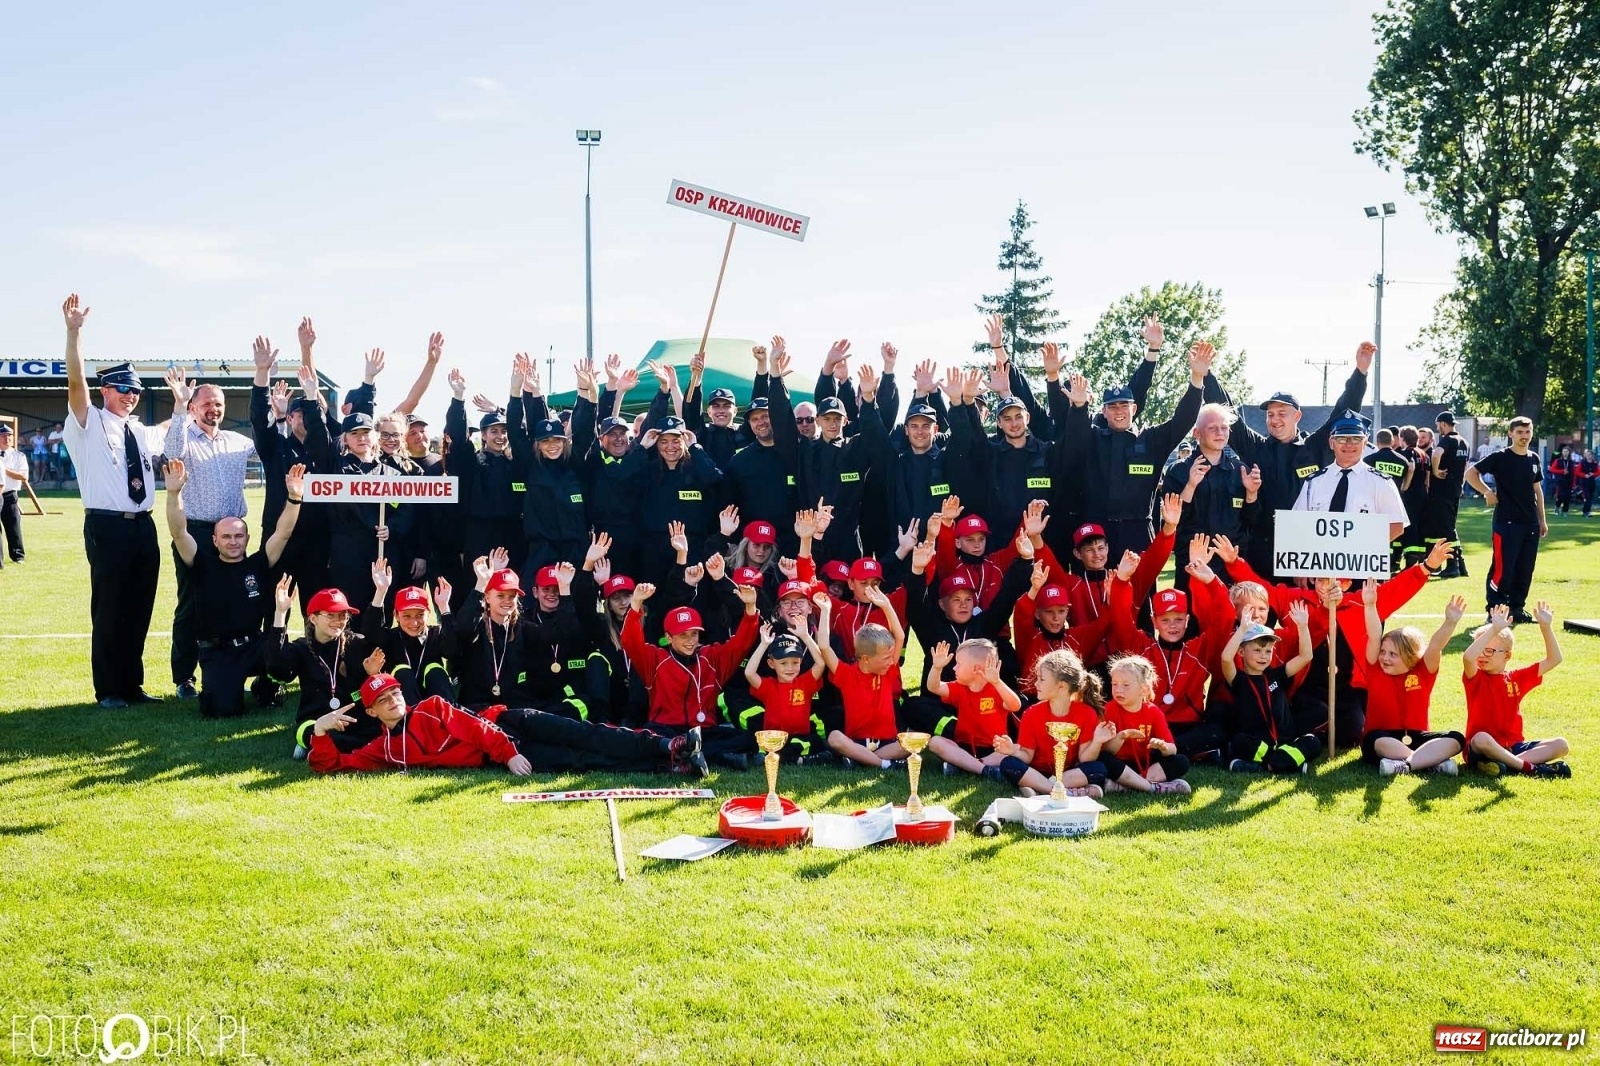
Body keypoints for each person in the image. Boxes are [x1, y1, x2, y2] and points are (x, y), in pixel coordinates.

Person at [59, 295, 166, 708]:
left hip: (143, 523)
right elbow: (74, 383)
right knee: (109, 609)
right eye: (123, 388)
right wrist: (74, 333)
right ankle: (107, 689)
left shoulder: (138, 430)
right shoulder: (87, 422)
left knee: (139, 607)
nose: (131, 396)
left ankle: (132, 685)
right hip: (107, 525)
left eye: (136, 390)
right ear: (105, 389)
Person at [306, 672, 707, 776]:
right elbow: (333, 765)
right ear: (372, 713)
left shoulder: (428, 706)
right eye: (383, 701)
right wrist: (320, 730)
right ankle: (671, 764)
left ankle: (665, 745)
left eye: (395, 693)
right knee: (579, 760)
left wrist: (509, 753)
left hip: (508, 725)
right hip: (498, 758)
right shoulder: (385, 750)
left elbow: (473, 728)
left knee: (587, 733)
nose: (394, 701)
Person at [1212, 343, 1373, 579]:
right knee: (1258, 613)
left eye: (1281, 413)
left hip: (1306, 551)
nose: (1275, 420)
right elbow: (1231, 416)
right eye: (1270, 414)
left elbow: (1342, 411)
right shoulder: (1257, 448)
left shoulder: (1314, 447)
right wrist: (1207, 374)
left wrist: (1360, 373)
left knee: (1301, 615)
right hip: (1263, 549)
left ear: (1297, 416)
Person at [164, 459, 304, 716]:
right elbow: (179, 532)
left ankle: (267, 684)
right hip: (219, 652)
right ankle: (224, 688)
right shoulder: (200, 565)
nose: (233, 542)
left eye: (239, 536)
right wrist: (174, 493)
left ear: (247, 539)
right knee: (223, 709)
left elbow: (282, 533)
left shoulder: (258, 564)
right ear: (214, 540)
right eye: (226, 537)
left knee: (289, 656)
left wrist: (294, 497)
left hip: (254, 646)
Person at [1052, 342, 1210, 563]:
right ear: (1103, 411)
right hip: (1097, 534)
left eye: (1124, 405)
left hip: (1138, 534)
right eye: (1112, 406)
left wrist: (1196, 379)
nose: (1119, 411)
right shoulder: (1092, 438)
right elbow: (1073, 432)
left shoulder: (1152, 440)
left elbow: (1182, 420)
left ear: (1133, 409)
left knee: (1141, 595)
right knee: (1094, 595)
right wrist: (1079, 407)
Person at [163, 365, 259, 699]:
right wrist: (178, 406)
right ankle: (184, 677)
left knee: (240, 600)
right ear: (193, 407)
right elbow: (171, 454)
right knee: (191, 604)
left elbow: (272, 449)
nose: (213, 408)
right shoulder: (185, 438)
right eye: (205, 403)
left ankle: (245, 666)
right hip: (198, 534)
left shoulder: (239, 442)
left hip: (234, 535)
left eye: (217, 403)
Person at [265, 581, 385, 757]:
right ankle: (321, 744)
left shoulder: (355, 643)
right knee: (330, 738)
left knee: (381, 730)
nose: (338, 621)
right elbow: (277, 669)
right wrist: (281, 613)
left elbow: (376, 636)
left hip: (354, 719)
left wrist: (372, 674)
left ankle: (323, 747)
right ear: (313, 619)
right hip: (316, 720)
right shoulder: (301, 648)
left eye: (343, 616)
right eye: (330, 615)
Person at [1359, 585, 1466, 775]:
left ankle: (1405, 765)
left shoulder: (1423, 672)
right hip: (1383, 739)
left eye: (1393, 654)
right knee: (1376, 740)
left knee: (1456, 739)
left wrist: (1450, 622)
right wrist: (1370, 605)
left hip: (1417, 737)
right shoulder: (1376, 669)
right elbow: (1374, 636)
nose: (1385, 658)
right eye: (1383, 652)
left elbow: (1435, 646)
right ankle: (1431, 764)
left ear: (1409, 656)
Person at [1462, 603, 1570, 777]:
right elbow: (1468, 657)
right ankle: (1529, 768)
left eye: (1489, 650)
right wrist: (1494, 629)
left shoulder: (1516, 678)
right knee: (1481, 738)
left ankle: (1504, 764)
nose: (1482, 655)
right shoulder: (1475, 677)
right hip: (1481, 747)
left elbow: (1554, 659)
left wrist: (1546, 627)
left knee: (1561, 744)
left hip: (1514, 747)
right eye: (1480, 649)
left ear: (1507, 655)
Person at [992, 647, 1106, 797]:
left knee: (1099, 768)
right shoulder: (1032, 713)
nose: (1036, 684)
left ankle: (1038, 789)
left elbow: (1084, 759)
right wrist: (1012, 750)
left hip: (1068, 774)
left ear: (1061, 686)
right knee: (1008, 764)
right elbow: (1027, 756)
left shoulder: (1086, 713)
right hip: (1037, 771)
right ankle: (1063, 792)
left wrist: (1097, 741)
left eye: (1042, 679)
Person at [1465, 416, 1547, 625]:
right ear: (1510, 433)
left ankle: (1517, 609)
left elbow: (1537, 490)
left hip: (1530, 523)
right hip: (1506, 523)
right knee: (1503, 568)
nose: (1524, 436)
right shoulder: (1500, 457)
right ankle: (1495, 610)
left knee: (1525, 568)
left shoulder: (1533, 458)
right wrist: (1486, 491)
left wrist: (1542, 520)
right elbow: (1470, 473)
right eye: (1519, 432)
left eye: (1527, 432)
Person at [1218, 612, 1322, 774]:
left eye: (1268, 651)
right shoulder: (1238, 680)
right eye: (1257, 650)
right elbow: (1225, 658)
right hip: (1257, 743)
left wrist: (1302, 626)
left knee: (1313, 742)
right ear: (1241, 652)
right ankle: (1288, 764)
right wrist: (1243, 628)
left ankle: (1263, 767)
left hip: (1285, 742)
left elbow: (1306, 656)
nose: (1263, 656)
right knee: (1238, 742)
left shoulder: (1278, 675)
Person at [1292, 411, 1408, 544]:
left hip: (1360, 561)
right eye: (1341, 438)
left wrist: (1362, 550)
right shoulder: (1314, 482)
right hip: (1320, 560)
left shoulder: (1381, 482)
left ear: (1365, 443)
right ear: (1331, 442)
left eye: (1356, 438)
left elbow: (1396, 526)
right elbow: (1298, 522)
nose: (1348, 444)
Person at [922, 638, 1024, 782]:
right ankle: (983, 769)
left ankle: (965, 766)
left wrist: (997, 682)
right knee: (935, 742)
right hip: (964, 747)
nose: (954, 668)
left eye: (958, 664)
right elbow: (934, 687)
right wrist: (937, 667)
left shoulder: (996, 689)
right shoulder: (959, 687)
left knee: (1010, 753)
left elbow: (1016, 706)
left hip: (994, 749)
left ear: (976, 669)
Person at [1098, 655, 1193, 794]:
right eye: (1114, 684)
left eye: (1125, 685)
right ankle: (1151, 787)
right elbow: (1106, 751)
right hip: (1120, 766)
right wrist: (1121, 737)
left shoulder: (1153, 712)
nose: (1118, 690)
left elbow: (1172, 749)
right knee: (1103, 760)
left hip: (1144, 765)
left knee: (1180, 761)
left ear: (1144, 690)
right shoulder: (1108, 710)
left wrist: (1163, 747)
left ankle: (1125, 786)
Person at [742, 623, 828, 763]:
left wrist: (805, 636)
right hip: (774, 738)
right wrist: (763, 644)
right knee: (757, 741)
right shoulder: (769, 685)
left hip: (799, 737)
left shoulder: (804, 683)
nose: (790, 668)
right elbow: (749, 673)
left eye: (795, 662)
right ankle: (802, 759)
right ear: (771, 664)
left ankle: (790, 758)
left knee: (809, 742)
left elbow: (821, 664)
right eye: (783, 663)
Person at [1428, 411, 1470, 577]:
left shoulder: (1447, 440)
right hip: (1456, 488)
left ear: (1443, 424)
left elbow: (1436, 454)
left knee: (1446, 527)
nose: (1438, 428)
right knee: (1450, 525)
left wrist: (1436, 470)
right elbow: (1466, 466)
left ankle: (1453, 565)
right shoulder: (1464, 442)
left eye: (1438, 425)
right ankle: (1461, 565)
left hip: (1443, 489)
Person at [0, 423, 29, 564]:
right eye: (4, 436)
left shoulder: (18, 456)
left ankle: (18, 555)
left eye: (9, 436)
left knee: (13, 526)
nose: (7, 438)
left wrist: (4, 470)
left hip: (9, 495)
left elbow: (24, 477)